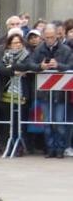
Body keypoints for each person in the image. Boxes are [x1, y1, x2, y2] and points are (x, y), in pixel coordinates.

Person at [29, 23, 71, 158]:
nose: (50, 40)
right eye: (47, 37)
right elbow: (30, 64)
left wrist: (59, 65)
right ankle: (50, 148)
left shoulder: (65, 50)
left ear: (57, 36)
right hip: (44, 93)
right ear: (43, 37)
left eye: (52, 37)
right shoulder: (39, 49)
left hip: (60, 93)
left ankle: (60, 148)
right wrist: (40, 66)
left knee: (59, 122)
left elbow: (70, 65)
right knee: (47, 122)